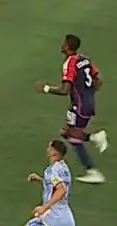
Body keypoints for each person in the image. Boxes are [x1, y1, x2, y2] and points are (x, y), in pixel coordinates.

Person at [40, 34, 108, 183]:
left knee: (73, 138)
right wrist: (88, 94)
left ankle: (93, 171)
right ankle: (95, 138)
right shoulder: (84, 60)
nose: (61, 45)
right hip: (84, 103)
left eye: (64, 43)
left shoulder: (70, 63)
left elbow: (65, 90)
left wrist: (47, 89)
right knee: (66, 132)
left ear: (68, 47)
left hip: (81, 106)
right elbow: (99, 80)